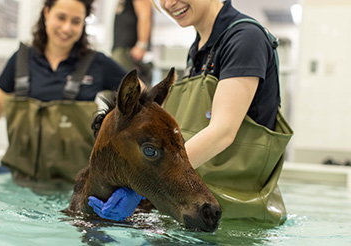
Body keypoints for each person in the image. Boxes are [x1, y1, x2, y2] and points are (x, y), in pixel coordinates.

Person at [88, 0, 293, 225]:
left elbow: (222, 132)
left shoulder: (245, 38)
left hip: (236, 218)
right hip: (192, 209)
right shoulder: (197, 51)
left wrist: (142, 190)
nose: (169, 3)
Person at [0, 0, 126, 185]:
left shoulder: (98, 63)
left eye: (76, 21)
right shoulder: (22, 59)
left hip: (75, 187)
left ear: (83, 23)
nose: (66, 28)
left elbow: (138, 94)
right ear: (46, 13)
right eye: (61, 17)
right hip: (21, 183)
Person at [111, 0, 153, 85]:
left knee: (128, 87)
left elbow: (145, 15)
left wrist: (142, 45)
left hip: (129, 49)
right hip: (121, 48)